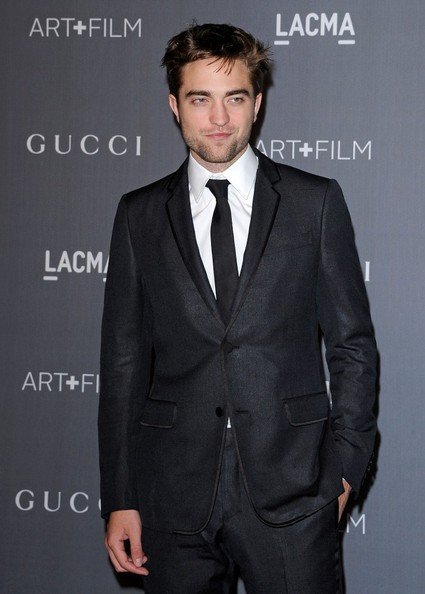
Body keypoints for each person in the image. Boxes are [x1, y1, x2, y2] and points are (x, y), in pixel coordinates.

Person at [98, 23, 377, 593]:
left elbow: (352, 346)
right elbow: (123, 364)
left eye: (236, 98)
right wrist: (121, 496)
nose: (220, 118)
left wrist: (346, 470)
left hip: (296, 489)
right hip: (173, 494)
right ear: (175, 106)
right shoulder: (138, 215)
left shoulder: (314, 202)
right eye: (201, 99)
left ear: (258, 103)